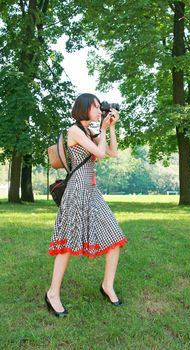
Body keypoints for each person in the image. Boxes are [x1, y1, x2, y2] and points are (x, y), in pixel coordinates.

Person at [45, 93, 128, 317]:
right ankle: (53, 293)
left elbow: (111, 152)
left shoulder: (91, 131)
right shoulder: (74, 131)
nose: (100, 110)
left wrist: (110, 127)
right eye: (96, 107)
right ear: (84, 108)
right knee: (68, 244)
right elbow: (99, 152)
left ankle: (107, 286)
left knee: (114, 236)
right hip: (77, 191)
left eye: (101, 107)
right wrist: (101, 127)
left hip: (92, 191)